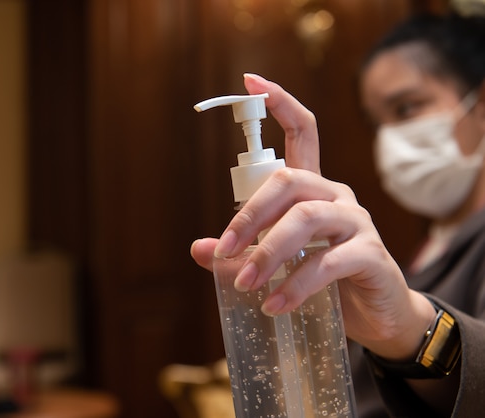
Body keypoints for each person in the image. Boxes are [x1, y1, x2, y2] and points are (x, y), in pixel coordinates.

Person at [191, 11, 485, 418]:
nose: (389, 140)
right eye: (375, 121)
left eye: (405, 108)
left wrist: (411, 331)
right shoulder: (428, 249)